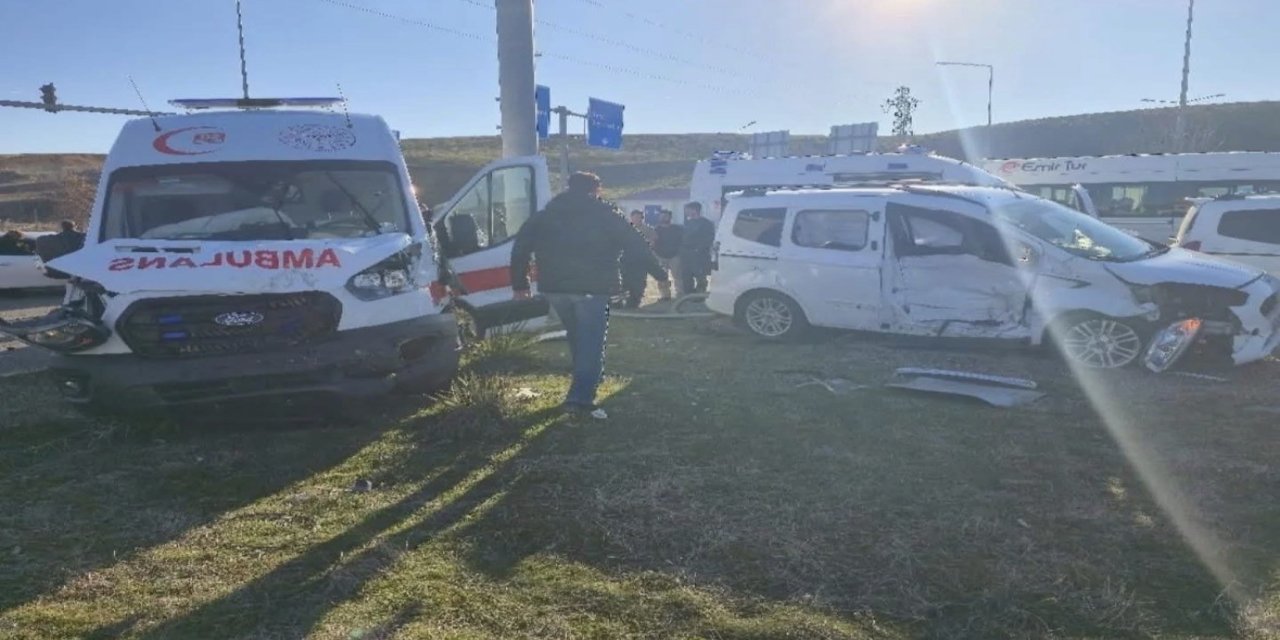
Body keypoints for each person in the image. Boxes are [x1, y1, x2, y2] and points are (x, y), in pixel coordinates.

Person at [510, 172, 668, 419]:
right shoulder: (606, 215)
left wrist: (520, 284)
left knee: (577, 337)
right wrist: (659, 273)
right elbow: (636, 245)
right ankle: (580, 399)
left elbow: (520, 248)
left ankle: (583, 381)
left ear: (568, 188)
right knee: (591, 342)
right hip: (592, 289)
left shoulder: (545, 216)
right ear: (596, 190)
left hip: (555, 288)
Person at [619, 210, 656, 309]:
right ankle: (624, 303)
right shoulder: (624, 229)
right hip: (626, 260)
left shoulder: (647, 230)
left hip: (641, 260)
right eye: (634, 217)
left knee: (639, 282)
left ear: (641, 218)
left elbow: (652, 242)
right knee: (625, 282)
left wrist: (643, 247)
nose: (636, 219)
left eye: (638, 217)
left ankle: (635, 302)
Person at [678, 201, 715, 294]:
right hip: (686, 254)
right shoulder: (688, 222)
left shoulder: (706, 223)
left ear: (694, 210)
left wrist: (698, 249)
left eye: (688, 210)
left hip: (699, 255)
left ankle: (700, 295)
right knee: (686, 275)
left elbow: (709, 238)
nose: (686, 212)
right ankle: (688, 294)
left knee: (700, 275)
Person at [651, 209, 683, 300]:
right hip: (660, 256)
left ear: (670, 217)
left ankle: (680, 295)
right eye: (661, 216)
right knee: (662, 278)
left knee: (678, 277)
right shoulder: (656, 229)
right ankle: (665, 296)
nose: (663, 218)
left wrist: (679, 253)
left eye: (665, 216)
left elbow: (682, 241)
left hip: (675, 256)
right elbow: (652, 242)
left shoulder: (677, 229)